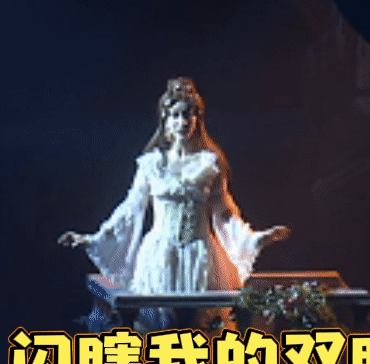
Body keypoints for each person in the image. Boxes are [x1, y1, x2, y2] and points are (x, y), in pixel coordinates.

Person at [58, 77, 291, 329]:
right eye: (176, 115)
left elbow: (224, 213)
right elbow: (131, 209)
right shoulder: (151, 164)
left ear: (197, 119)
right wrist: (93, 239)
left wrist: (254, 238)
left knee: (203, 326)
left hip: (200, 256)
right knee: (159, 326)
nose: (183, 122)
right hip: (160, 255)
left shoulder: (210, 164)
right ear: (165, 119)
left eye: (188, 115)